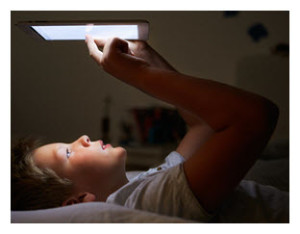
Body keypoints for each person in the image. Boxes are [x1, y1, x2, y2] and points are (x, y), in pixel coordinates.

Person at [11, 36, 287, 222]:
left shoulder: (142, 185)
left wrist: (148, 61)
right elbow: (254, 118)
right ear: (79, 202)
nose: (81, 138)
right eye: (68, 154)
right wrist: (141, 76)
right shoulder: (145, 203)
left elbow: (201, 126)